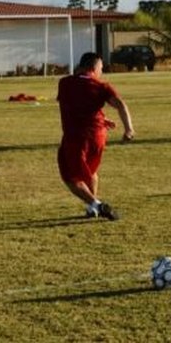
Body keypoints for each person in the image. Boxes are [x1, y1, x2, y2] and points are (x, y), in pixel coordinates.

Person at [57, 52, 134, 220]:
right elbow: (120, 104)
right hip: (99, 136)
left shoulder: (64, 83)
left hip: (77, 137)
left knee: (71, 177)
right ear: (93, 68)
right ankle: (92, 209)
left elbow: (72, 106)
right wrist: (128, 129)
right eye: (101, 68)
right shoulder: (102, 87)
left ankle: (97, 204)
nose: (102, 71)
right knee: (91, 172)